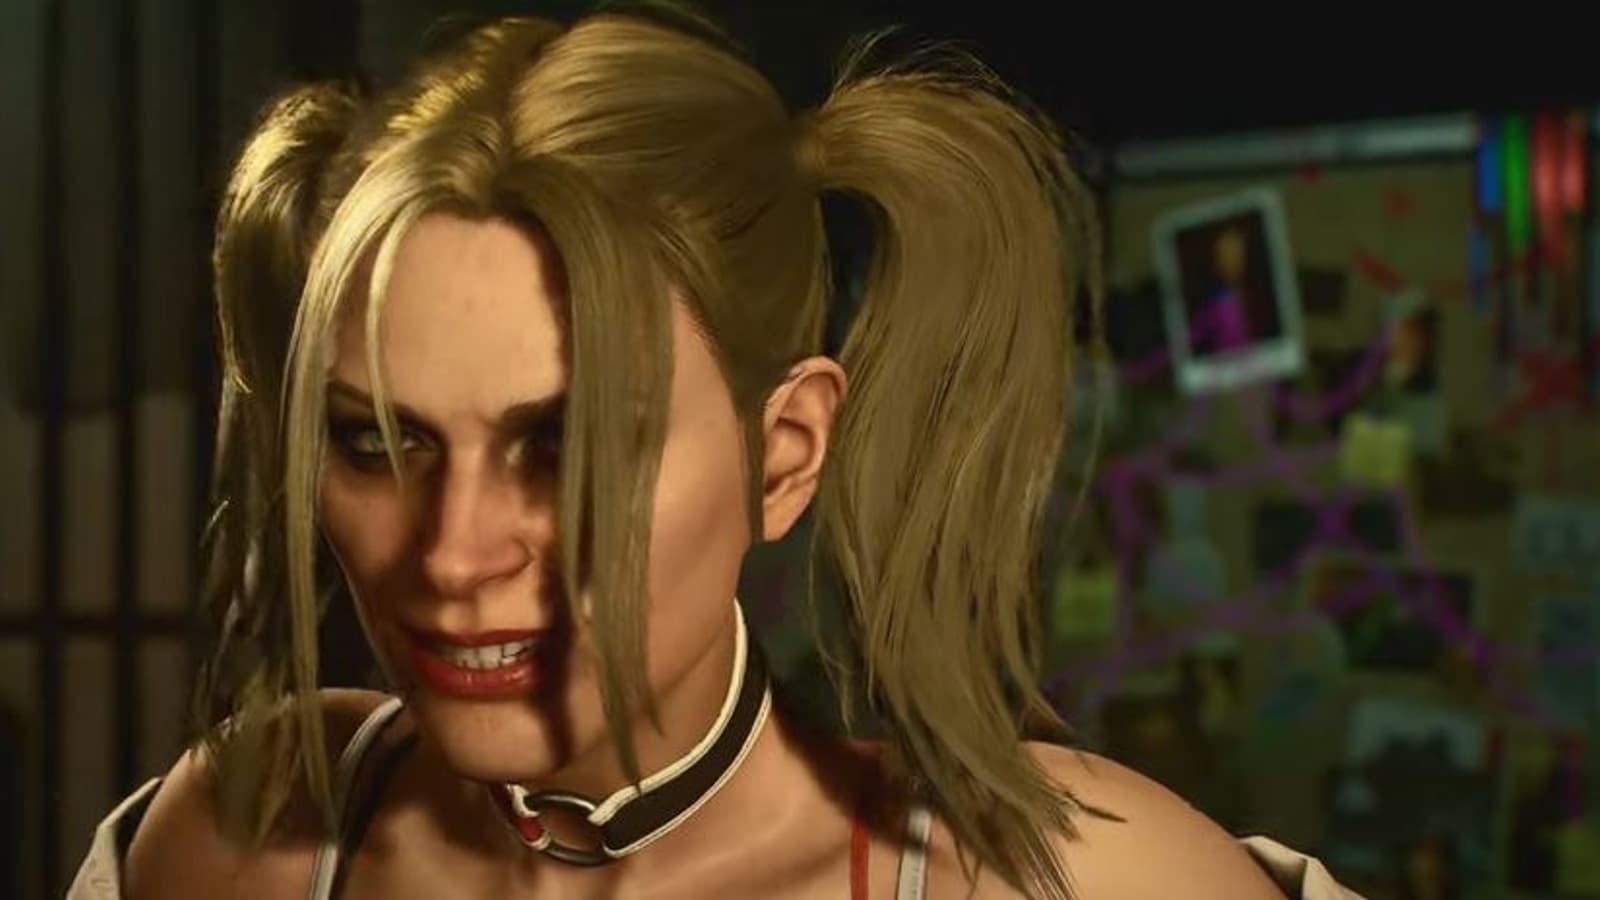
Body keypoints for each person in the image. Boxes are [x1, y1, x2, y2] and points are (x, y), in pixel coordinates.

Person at [70, 4, 1365, 898]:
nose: (453, 555)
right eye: (374, 441)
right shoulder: (248, 839)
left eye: (571, 449)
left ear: (784, 454)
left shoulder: (1059, 877)